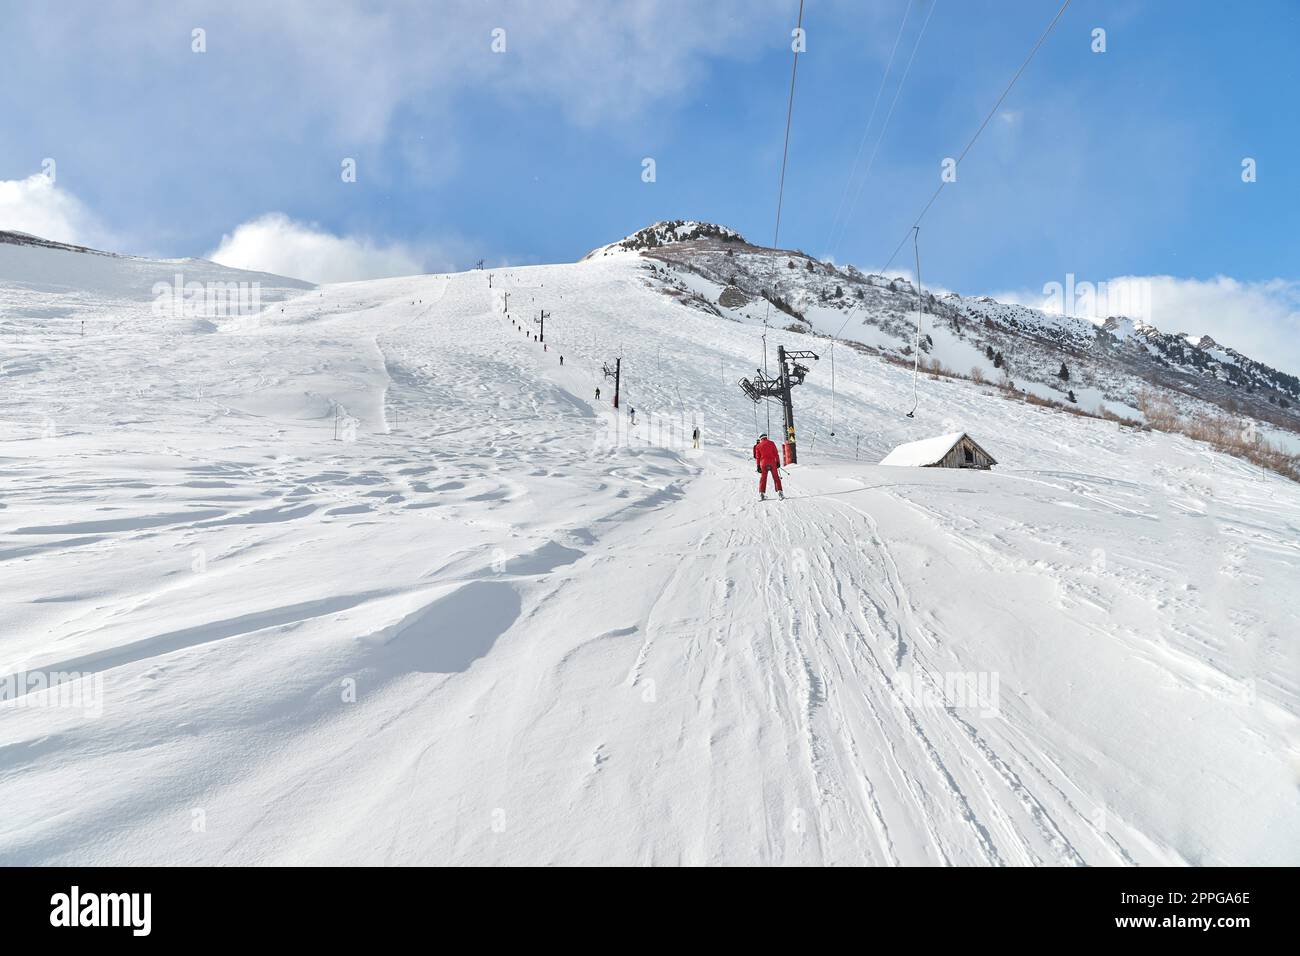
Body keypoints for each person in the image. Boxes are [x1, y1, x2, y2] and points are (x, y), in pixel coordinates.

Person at [754, 433, 783, 500]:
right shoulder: (772, 443)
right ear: (766, 437)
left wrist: (758, 466)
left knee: (763, 478)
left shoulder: (758, 446)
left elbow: (758, 457)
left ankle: (762, 494)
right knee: (776, 477)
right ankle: (780, 493)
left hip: (763, 464)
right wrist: (778, 462)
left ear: (760, 438)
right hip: (772, 462)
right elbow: (776, 454)